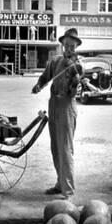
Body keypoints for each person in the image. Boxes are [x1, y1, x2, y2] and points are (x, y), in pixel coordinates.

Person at [31, 28, 83, 199]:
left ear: (76, 47)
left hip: (67, 107)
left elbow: (74, 92)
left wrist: (75, 83)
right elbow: (46, 77)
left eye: (72, 47)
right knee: (55, 148)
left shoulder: (77, 65)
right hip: (53, 105)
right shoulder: (55, 61)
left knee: (65, 149)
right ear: (62, 45)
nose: (69, 49)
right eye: (66, 45)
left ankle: (68, 190)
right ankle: (60, 183)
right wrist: (39, 85)